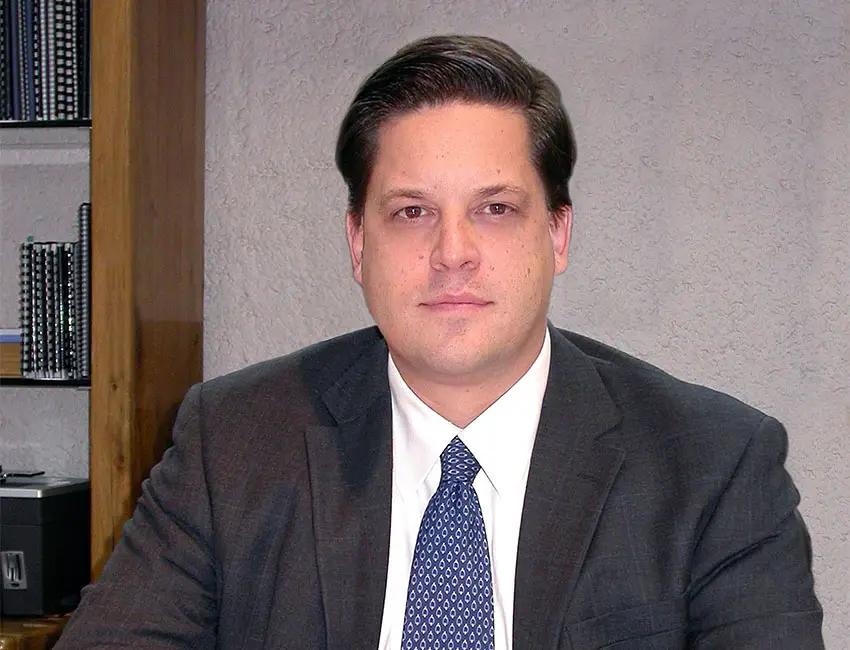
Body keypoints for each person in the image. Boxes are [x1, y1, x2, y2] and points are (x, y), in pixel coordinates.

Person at [55, 35, 824, 649]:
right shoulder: (233, 443)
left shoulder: (714, 464)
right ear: (358, 245)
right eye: (412, 212)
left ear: (558, 234)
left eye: (494, 208)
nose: (453, 252)